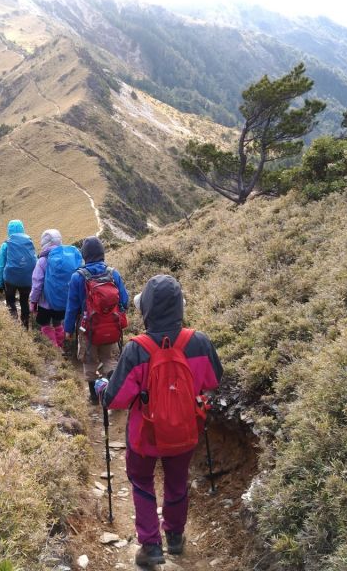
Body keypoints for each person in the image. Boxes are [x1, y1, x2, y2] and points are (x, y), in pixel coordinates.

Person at [95, 275, 222, 567]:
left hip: (144, 436)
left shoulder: (136, 349)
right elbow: (214, 379)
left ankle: (151, 545)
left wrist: (102, 388)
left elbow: (115, 399)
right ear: (180, 306)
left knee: (141, 482)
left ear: (147, 309)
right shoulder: (199, 342)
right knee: (177, 482)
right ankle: (175, 537)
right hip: (185, 430)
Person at [64, 236, 128, 403]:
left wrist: (68, 330)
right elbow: (124, 301)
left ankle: (94, 397)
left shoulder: (77, 277)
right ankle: (113, 393)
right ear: (102, 253)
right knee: (110, 359)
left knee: (90, 361)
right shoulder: (113, 273)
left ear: (85, 255)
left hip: (88, 329)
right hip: (112, 327)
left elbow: (71, 307)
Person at [29, 229, 81, 348]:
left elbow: (37, 284)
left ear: (44, 243)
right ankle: (61, 346)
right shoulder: (66, 259)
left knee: (45, 325)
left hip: (45, 304)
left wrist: (33, 301)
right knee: (58, 323)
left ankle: (54, 349)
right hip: (61, 302)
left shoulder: (42, 260)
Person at [0, 220, 37, 328]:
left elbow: (0, 266)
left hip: (10, 279)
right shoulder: (29, 242)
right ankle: (25, 326)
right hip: (27, 279)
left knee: (10, 301)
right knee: (24, 301)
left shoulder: (6, 244)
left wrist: (0, 283)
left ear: (9, 230)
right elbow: (34, 260)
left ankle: (13, 325)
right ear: (22, 228)